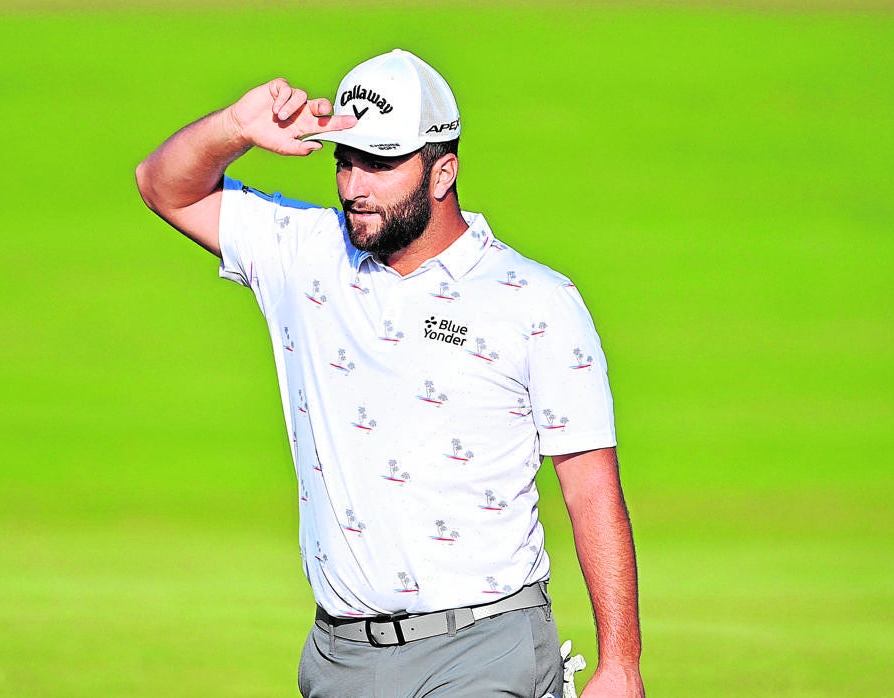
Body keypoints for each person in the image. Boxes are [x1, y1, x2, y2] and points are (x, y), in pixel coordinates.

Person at [135, 48, 643, 698]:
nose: (354, 185)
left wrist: (620, 664)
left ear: (443, 171)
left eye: (380, 162)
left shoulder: (533, 301)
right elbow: (163, 185)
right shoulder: (304, 253)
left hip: (484, 649)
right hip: (339, 658)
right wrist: (236, 124)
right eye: (346, 160)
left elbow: (591, 489)